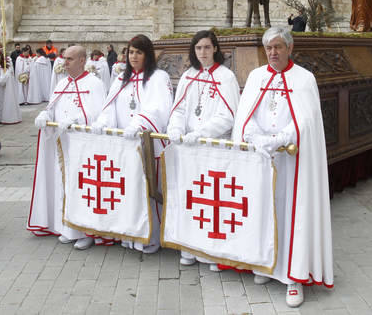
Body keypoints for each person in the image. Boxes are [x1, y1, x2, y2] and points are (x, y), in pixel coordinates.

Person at [231, 26, 333, 307]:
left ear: (289, 48)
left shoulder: (304, 79)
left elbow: (306, 121)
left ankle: (293, 277)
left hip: (293, 162)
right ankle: (267, 265)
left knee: (293, 215)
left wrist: (280, 139)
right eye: (269, 48)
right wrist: (257, 138)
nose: (273, 52)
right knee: (263, 211)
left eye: (278, 47)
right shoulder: (256, 77)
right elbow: (244, 115)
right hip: (263, 161)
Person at [91, 34, 173, 254]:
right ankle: (128, 234)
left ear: (148, 54)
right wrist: (102, 122)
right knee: (127, 191)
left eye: (139, 52)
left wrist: (138, 124)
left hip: (146, 144)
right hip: (122, 147)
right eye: (130, 52)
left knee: (147, 190)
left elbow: (159, 107)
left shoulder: (158, 77)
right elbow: (110, 105)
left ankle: (151, 237)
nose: (134, 56)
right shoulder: (120, 79)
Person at [168, 31, 240, 268]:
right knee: (190, 198)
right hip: (188, 149)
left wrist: (200, 134)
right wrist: (176, 129)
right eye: (198, 48)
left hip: (213, 147)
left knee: (213, 201)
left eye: (207, 48)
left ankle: (213, 252)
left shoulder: (226, 76)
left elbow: (228, 115)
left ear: (215, 48)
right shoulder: (188, 76)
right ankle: (189, 245)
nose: (203, 53)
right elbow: (178, 109)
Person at [30, 46, 105, 248]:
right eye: (64, 59)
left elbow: (99, 114)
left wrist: (77, 118)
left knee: (82, 187)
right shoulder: (62, 83)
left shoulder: (94, 83)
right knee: (62, 185)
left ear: (82, 60)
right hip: (60, 144)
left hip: (82, 147)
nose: (65, 62)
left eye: (70, 59)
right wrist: (45, 115)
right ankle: (66, 226)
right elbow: (52, 106)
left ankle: (86, 232)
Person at [0, 52, 22, 125]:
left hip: (5, 88)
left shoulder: (7, 66)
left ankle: (5, 117)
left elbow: (4, 79)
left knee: (5, 102)